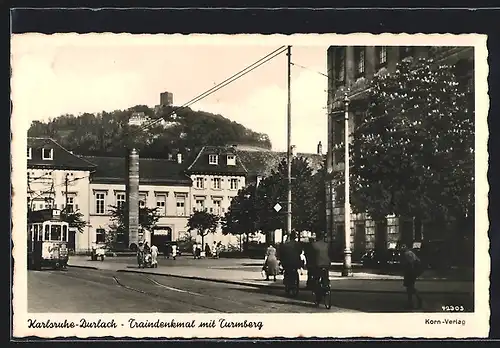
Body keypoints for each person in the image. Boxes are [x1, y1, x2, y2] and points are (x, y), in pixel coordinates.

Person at [400, 244, 423, 309]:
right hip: (412, 273)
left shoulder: (407, 253)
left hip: (410, 273)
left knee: (410, 287)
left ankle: (417, 299)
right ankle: (411, 302)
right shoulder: (410, 252)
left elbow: (411, 263)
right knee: (409, 287)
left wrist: (409, 272)